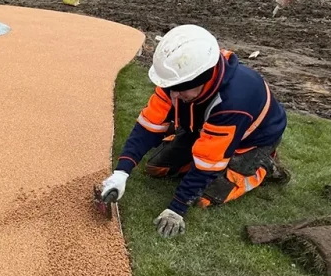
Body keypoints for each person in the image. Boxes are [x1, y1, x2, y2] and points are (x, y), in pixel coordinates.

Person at [101, 25, 288, 238]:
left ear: (204, 79)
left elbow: (207, 164)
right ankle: (207, 146)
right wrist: (121, 172)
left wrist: (176, 209)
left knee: (206, 195)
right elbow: (148, 127)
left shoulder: (233, 102)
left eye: (180, 91)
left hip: (252, 140)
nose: (173, 97)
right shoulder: (176, 81)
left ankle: (264, 167)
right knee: (156, 168)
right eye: (171, 90)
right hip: (204, 128)